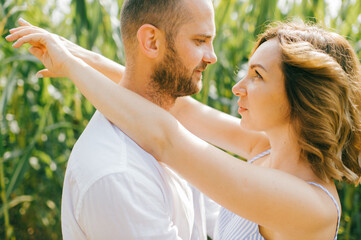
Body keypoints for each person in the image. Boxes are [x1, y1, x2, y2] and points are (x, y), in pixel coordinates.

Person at [7, 17, 361, 240]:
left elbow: (166, 138)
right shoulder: (265, 148)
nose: (238, 87)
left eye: (257, 76)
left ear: (302, 97)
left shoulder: (311, 206)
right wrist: (74, 53)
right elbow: (179, 108)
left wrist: (69, 66)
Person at [6, 0, 220, 239]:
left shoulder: (176, 134)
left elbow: (224, 219)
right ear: (151, 41)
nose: (213, 57)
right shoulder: (118, 173)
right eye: (200, 41)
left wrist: (78, 60)